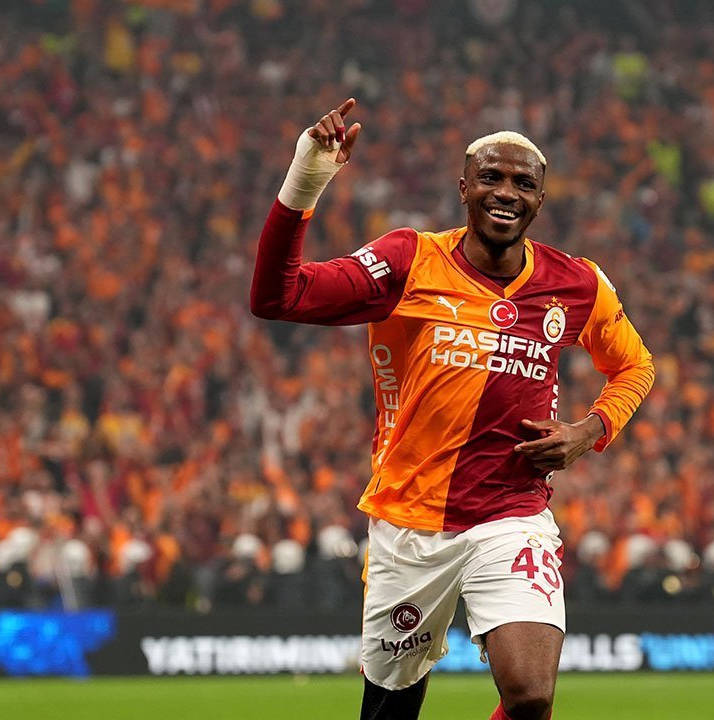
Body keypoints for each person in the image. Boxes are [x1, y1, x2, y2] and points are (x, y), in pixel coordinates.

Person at [250, 99, 654, 720]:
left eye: (523, 184)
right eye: (491, 177)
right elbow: (277, 296)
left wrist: (590, 430)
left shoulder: (578, 284)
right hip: (410, 519)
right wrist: (307, 177)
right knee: (389, 712)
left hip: (511, 513)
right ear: (464, 188)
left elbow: (635, 366)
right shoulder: (409, 260)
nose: (506, 192)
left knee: (531, 696)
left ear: (540, 201)